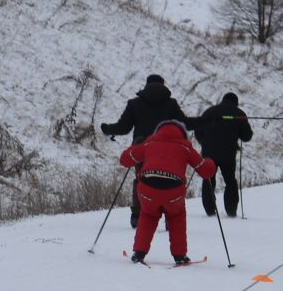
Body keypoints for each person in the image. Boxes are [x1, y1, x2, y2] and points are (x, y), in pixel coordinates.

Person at [119, 119, 215, 264]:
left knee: (147, 215)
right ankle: (179, 256)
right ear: (182, 134)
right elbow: (206, 171)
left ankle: (139, 253)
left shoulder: (149, 143)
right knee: (177, 216)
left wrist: (135, 146)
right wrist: (209, 161)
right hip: (173, 192)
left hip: (147, 189)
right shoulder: (186, 147)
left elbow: (125, 160)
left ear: (159, 131)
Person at [103, 74, 190, 225]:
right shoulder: (171, 104)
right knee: (172, 178)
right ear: (163, 85)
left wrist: (108, 129)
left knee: (141, 180)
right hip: (168, 149)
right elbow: (185, 123)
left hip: (142, 147)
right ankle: (171, 217)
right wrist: (206, 121)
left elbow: (124, 128)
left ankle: (137, 215)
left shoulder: (135, 104)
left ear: (146, 85)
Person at [191, 91, 254, 217]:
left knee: (208, 180)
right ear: (235, 103)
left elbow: (198, 130)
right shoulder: (239, 114)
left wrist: (205, 143)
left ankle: (209, 210)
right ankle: (231, 211)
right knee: (230, 181)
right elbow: (247, 136)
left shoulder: (210, 111)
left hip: (209, 153)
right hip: (228, 154)